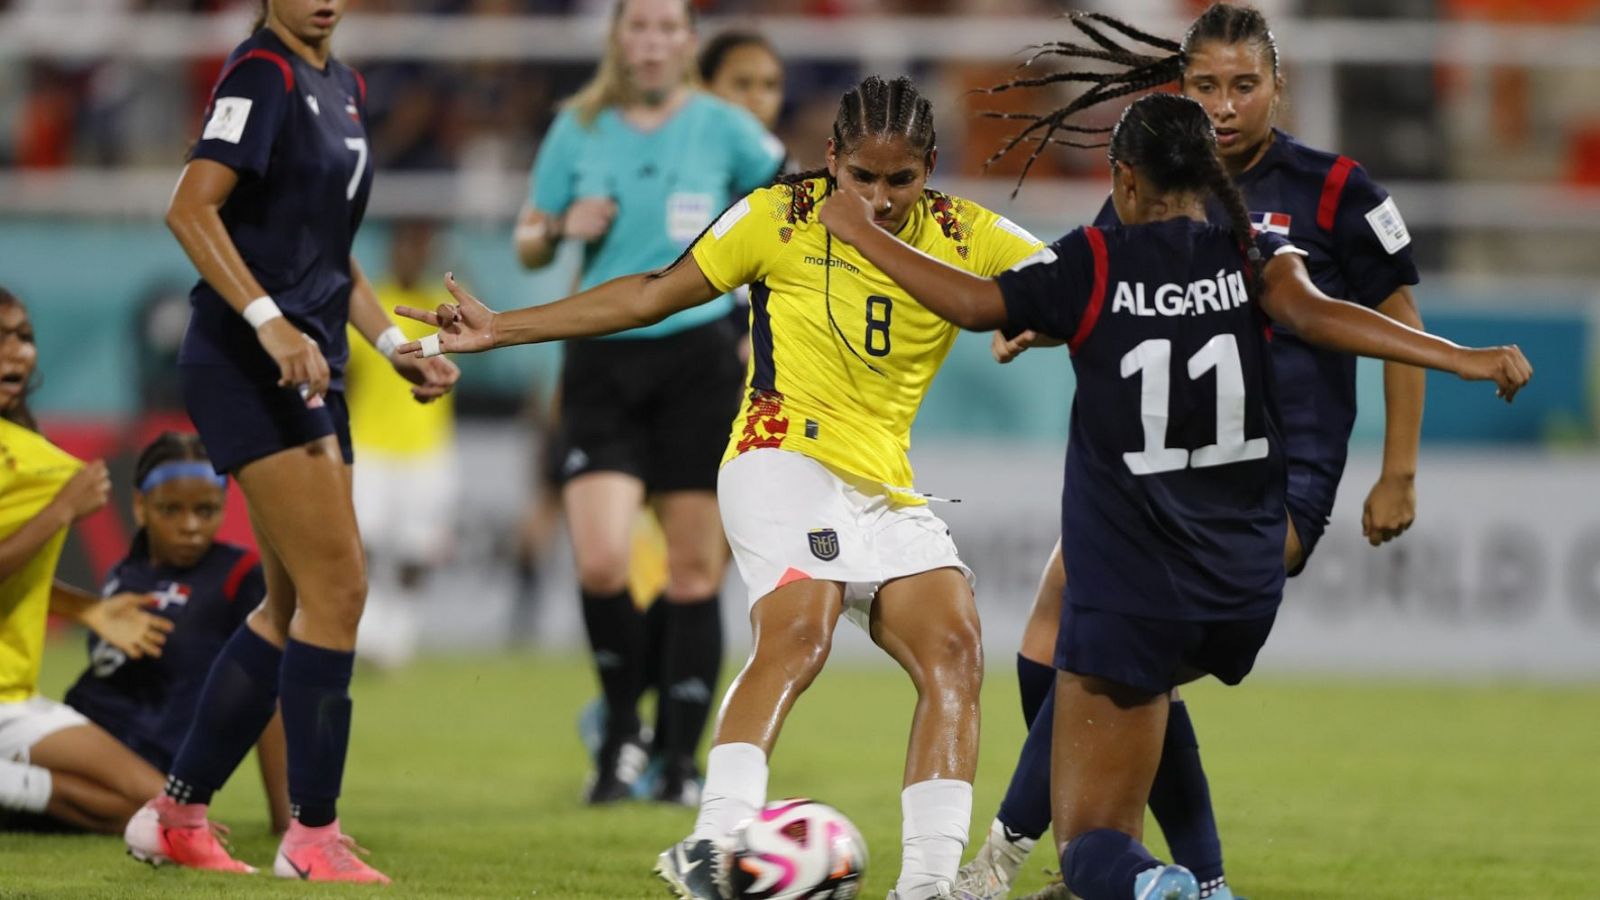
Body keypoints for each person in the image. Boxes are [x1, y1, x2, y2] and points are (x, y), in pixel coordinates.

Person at [817, 91, 1529, 900]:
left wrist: (862, 232)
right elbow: (1323, 313)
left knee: (1092, 848)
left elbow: (977, 304)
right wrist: (1461, 357)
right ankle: (1207, 882)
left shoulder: (1092, 259)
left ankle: (1159, 886)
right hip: (1244, 581)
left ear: (1124, 180)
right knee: (1137, 691)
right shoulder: (1256, 251)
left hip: (1134, 584)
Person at [406, 74, 1047, 900]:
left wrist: (1039, 316)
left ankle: (926, 887)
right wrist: (505, 328)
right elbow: (651, 293)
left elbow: (1070, 281)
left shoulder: (969, 232)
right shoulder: (774, 215)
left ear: (931, 165)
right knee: (800, 629)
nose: (880, 198)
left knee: (956, 647)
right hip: (779, 455)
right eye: (861, 177)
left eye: (901, 180)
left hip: (882, 482)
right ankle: (712, 844)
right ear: (830, 160)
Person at [956, 8, 1433, 898]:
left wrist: (1398, 468)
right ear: (1182, 89)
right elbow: (1104, 286)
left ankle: (1010, 857)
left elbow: (1397, 323)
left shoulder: (1336, 191)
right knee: (1076, 635)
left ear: (1277, 87)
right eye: (1206, 85)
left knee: (1113, 629)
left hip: (1275, 486)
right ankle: (1162, 874)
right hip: (1171, 477)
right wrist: (1037, 325)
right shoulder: (1166, 173)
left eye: (1243, 85)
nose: (1223, 105)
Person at [119, 0, 458, 883]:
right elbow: (190, 209)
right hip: (248, 360)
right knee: (339, 588)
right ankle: (311, 836)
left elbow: (326, 252)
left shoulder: (341, 83)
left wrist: (392, 348)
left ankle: (179, 814)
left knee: (289, 605)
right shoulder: (261, 74)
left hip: (308, 365)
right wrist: (268, 321)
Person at [512, 0, 785, 806]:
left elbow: (791, 219)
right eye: (640, 26)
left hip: (699, 355)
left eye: (669, 27)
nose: (654, 41)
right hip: (602, 354)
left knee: (695, 570)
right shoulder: (578, 127)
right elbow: (528, 242)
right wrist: (561, 225)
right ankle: (623, 728)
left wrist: (752, 325)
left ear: (688, 44)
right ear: (618, 39)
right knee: (600, 560)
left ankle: (676, 759)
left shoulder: (726, 128)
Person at [0, 287, 176, 835]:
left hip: (12, 698)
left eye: (24, 337)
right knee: (165, 815)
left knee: (161, 811)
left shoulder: (30, 453)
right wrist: (61, 512)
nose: (18, 352)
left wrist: (86, 610)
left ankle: (9, 786)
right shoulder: (48, 472)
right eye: (0, 338)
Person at [63, 432, 290, 834]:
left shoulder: (239, 575)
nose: (190, 526)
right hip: (81, 736)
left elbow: (268, 694)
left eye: (206, 510)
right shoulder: (125, 574)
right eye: (171, 509)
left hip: (149, 760)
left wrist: (286, 820)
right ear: (140, 505)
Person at [345, 218, 457, 670]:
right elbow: (349, 373)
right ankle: (367, 634)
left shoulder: (444, 306)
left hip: (426, 447)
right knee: (365, 544)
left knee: (415, 551)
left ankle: (398, 637)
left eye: (421, 245)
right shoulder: (372, 303)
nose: (411, 254)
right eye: (405, 245)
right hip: (370, 443)